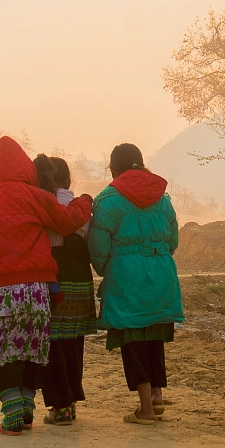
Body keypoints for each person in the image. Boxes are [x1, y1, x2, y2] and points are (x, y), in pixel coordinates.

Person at [0, 135, 93, 436]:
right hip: (35, 289)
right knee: (30, 348)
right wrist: (84, 201)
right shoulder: (36, 196)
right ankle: (27, 412)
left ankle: (12, 418)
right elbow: (67, 221)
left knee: (0, 350)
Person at [88, 142, 183, 425]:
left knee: (132, 340)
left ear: (114, 169)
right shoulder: (163, 198)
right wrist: (157, 258)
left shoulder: (107, 200)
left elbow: (98, 247)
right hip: (162, 272)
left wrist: (107, 268)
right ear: (141, 164)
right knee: (154, 333)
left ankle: (145, 409)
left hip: (127, 277)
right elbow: (173, 240)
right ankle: (156, 394)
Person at [33, 153, 94, 425]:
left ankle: (60, 404)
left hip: (52, 274)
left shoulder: (42, 203)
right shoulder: (80, 206)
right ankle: (70, 399)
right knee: (72, 340)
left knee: (51, 341)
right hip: (80, 276)